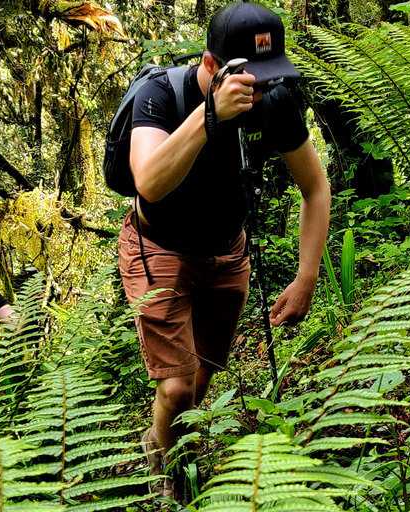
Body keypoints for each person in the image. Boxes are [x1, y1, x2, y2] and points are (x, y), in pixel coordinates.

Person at [119, 1, 331, 502]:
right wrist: (209, 116)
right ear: (212, 66)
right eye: (246, 76)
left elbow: (315, 189)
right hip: (160, 248)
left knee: (200, 381)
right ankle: (174, 482)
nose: (259, 88)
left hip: (227, 252)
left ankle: (167, 439)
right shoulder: (158, 96)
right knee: (174, 390)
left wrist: (306, 278)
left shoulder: (274, 101)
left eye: (268, 74)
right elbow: (148, 182)